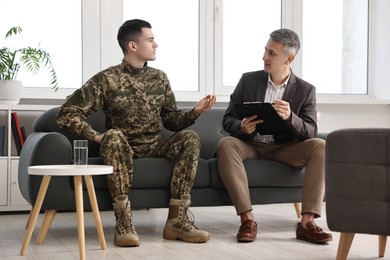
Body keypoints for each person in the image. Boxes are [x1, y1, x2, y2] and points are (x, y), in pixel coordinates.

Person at [56, 19, 216, 247]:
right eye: (150, 40)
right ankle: (124, 224)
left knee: (190, 138)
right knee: (112, 135)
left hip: (154, 145)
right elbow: (67, 113)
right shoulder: (107, 79)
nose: (156, 44)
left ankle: (177, 222)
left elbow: (171, 120)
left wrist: (195, 112)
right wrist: (96, 136)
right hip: (122, 148)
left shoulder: (159, 78)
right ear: (132, 45)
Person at [216, 28, 332, 244]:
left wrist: (291, 118)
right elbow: (227, 119)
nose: (265, 57)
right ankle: (247, 220)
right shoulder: (248, 81)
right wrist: (241, 126)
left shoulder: (306, 90)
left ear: (289, 58)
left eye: (272, 53)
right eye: (265, 51)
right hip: (251, 145)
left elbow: (310, 130)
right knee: (226, 144)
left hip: (285, 149)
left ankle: (307, 222)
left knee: (320, 145)